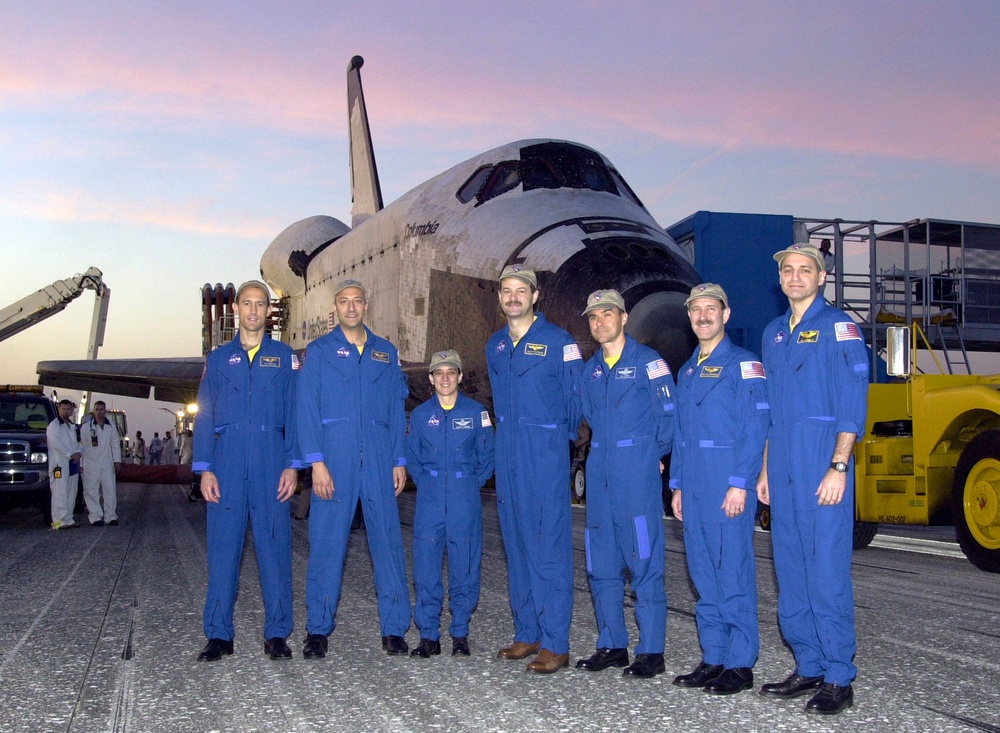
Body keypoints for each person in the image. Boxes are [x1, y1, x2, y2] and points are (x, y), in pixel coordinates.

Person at [756, 244, 869, 716]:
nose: (796, 277)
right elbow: (768, 412)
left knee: (825, 573)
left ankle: (839, 674)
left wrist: (839, 465)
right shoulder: (774, 334)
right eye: (788, 270)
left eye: (805, 270)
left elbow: (853, 401)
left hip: (822, 461)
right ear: (780, 278)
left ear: (821, 278)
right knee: (792, 573)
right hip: (781, 465)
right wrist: (763, 470)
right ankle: (808, 663)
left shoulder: (839, 328)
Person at [297, 278, 411, 659]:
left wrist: (398, 460)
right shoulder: (319, 351)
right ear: (335, 308)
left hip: (378, 462)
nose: (350, 308)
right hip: (334, 461)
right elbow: (307, 410)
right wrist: (316, 462)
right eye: (344, 302)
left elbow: (397, 411)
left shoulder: (385, 353)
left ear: (367, 306)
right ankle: (318, 629)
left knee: (388, 545)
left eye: (357, 301)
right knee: (327, 545)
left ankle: (394, 628)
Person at [192, 279, 300, 662]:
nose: (254, 311)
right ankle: (219, 634)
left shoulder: (285, 358)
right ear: (235, 309)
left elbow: (295, 414)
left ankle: (277, 634)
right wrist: (205, 468)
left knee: (275, 548)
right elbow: (203, 415)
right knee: (223, 551)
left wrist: (292, 465)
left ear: (269, 311)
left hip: (272, 458)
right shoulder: (218, 360)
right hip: (228, 461)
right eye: (247, 304)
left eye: (261, 304)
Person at [670, 284, 770, 695]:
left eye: (711, 309)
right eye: (696, 310)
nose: (703, 316)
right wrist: (675, 484)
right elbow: (680, 432)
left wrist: (740, 484)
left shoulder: (745, 365)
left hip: (726, 480)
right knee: (703, 575)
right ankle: (713, 656)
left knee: (732, 573)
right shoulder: (687, 370)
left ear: (725, 315)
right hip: (693, 483)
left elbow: (755, 428)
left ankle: (740, 663)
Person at [486, 264, 583, 674]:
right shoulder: (495, 345)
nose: (513, 297)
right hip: (507, 451)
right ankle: (528, 633)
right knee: (518, 545)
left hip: (542, 452)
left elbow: (575, 402)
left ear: (535, 295)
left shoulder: (560, 342)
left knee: (549, 548)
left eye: (520, 291)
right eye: (506, 291)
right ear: (500, 298)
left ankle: (556, 642)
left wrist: (551, 441)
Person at [576, 290, 674, 679]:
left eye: (607, 314)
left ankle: (651, 651)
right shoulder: (591, 371)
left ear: (624, 317)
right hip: (599, 477)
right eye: (594, 317)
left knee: (645, 562)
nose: (600, 322)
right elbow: (589, 417)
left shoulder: (650, 364)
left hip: (635, 476)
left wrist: (648, 457)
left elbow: (667, 422)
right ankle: (612, 644)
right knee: (601, 566)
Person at [405, 349, 495, 658]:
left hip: (463, 497)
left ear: (459, 377)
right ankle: (429, 635)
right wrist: (431, 481)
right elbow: (413, 459)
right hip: (429, 498)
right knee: (426, 568)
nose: (445, 378)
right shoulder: (419, 416)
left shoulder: (476, 413)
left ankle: (459, 633)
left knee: (465, 565)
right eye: (439, 373)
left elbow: (487, 458)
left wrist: (467, 482)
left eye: (451, 372)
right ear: (430, 379)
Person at [81, 400, 121, 526]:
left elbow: (115, 443)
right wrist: (81, 464)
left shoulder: (111, 426)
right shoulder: (86, 427)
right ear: (93, 411)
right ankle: (95, 516)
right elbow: (82, 446)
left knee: (109, 489)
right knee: (91, 491)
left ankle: (110, 516)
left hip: (106, 463)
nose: (99, 412)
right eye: (97, 409)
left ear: (105, 411)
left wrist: (117, 460)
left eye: (101, 410)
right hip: (90, 463)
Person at [47, 399, 82, 530]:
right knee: (59, 492)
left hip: (72, 464)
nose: (65, 411)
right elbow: (57, 444)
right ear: (58, 409)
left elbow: (78, 443)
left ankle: (68, 518)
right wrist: (70, 454)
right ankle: (58, 521)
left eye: (68, 409)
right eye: (63, 409)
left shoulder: (72, 427)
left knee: (71, 492)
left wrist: (78, 453)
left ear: (72, 410)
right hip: (60, 464)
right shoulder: (54, 426)